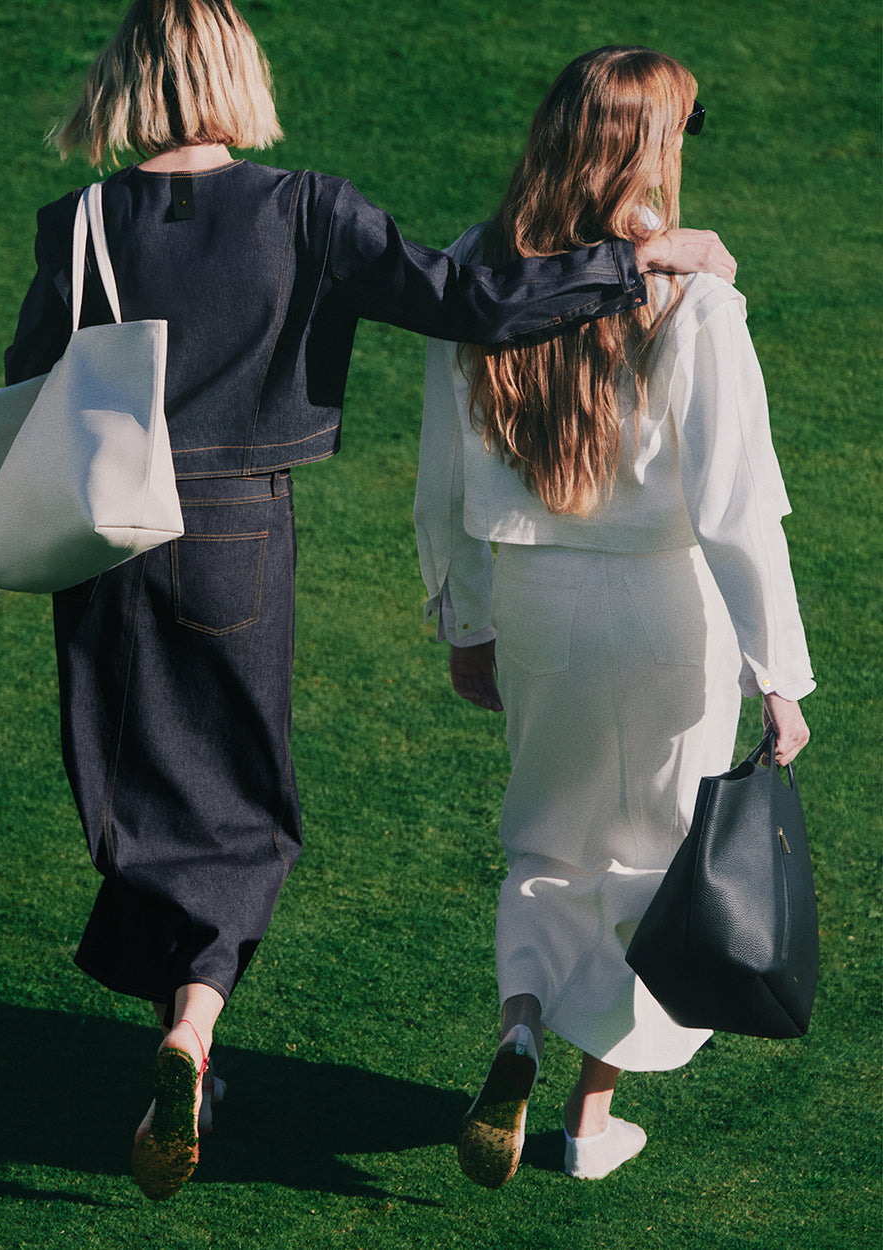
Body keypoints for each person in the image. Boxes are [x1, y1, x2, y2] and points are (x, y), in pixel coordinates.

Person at [3, 4, 736, 1200]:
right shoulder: (308, 207)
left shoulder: (81, 219)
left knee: (135, 791)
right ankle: (192, 1027)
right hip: (239, 532)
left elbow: (32, 376)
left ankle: (186, 1035)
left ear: (127, 79)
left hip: (99, 538)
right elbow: (472, 304)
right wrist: (633, 260)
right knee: (243, 804)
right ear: (238, 75)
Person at [414, 45, 813, 1189]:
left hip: (537, 602)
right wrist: (772, 669)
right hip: (660, 602)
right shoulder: (696, 297)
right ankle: (590, 1125)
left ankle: (519, 1027)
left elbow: (442, 480)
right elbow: (737, 504)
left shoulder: (472, 274)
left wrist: (467, 623)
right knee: (654, 860)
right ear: (646, 145)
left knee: (545, 841)